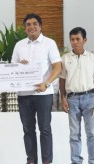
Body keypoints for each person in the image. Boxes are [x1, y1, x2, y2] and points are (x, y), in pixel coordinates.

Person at [11, 13, 62, 164]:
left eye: (34, 24)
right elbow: (12, 67)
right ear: (24, 28)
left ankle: (47, 161)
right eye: (28, 24)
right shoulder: (19, 45)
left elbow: (57, 67)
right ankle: (31, 160)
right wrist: (21, 65)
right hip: (24, 94)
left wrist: (46, 83)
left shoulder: (49, 43)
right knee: (28, 130)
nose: (31, 27)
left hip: (43, 93)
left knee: (45, 129)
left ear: (40, 26)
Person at [59, 27, 94, 164]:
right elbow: (62, 80)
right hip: (72, 99)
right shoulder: (65, 58)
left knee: (92, 134)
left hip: (89, 97)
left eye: (78, 39)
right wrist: (63, 98)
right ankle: (76, 161)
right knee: (74, 134)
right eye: (72, 39)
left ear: (85, 40)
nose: (75, 42)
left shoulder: (92, 58)